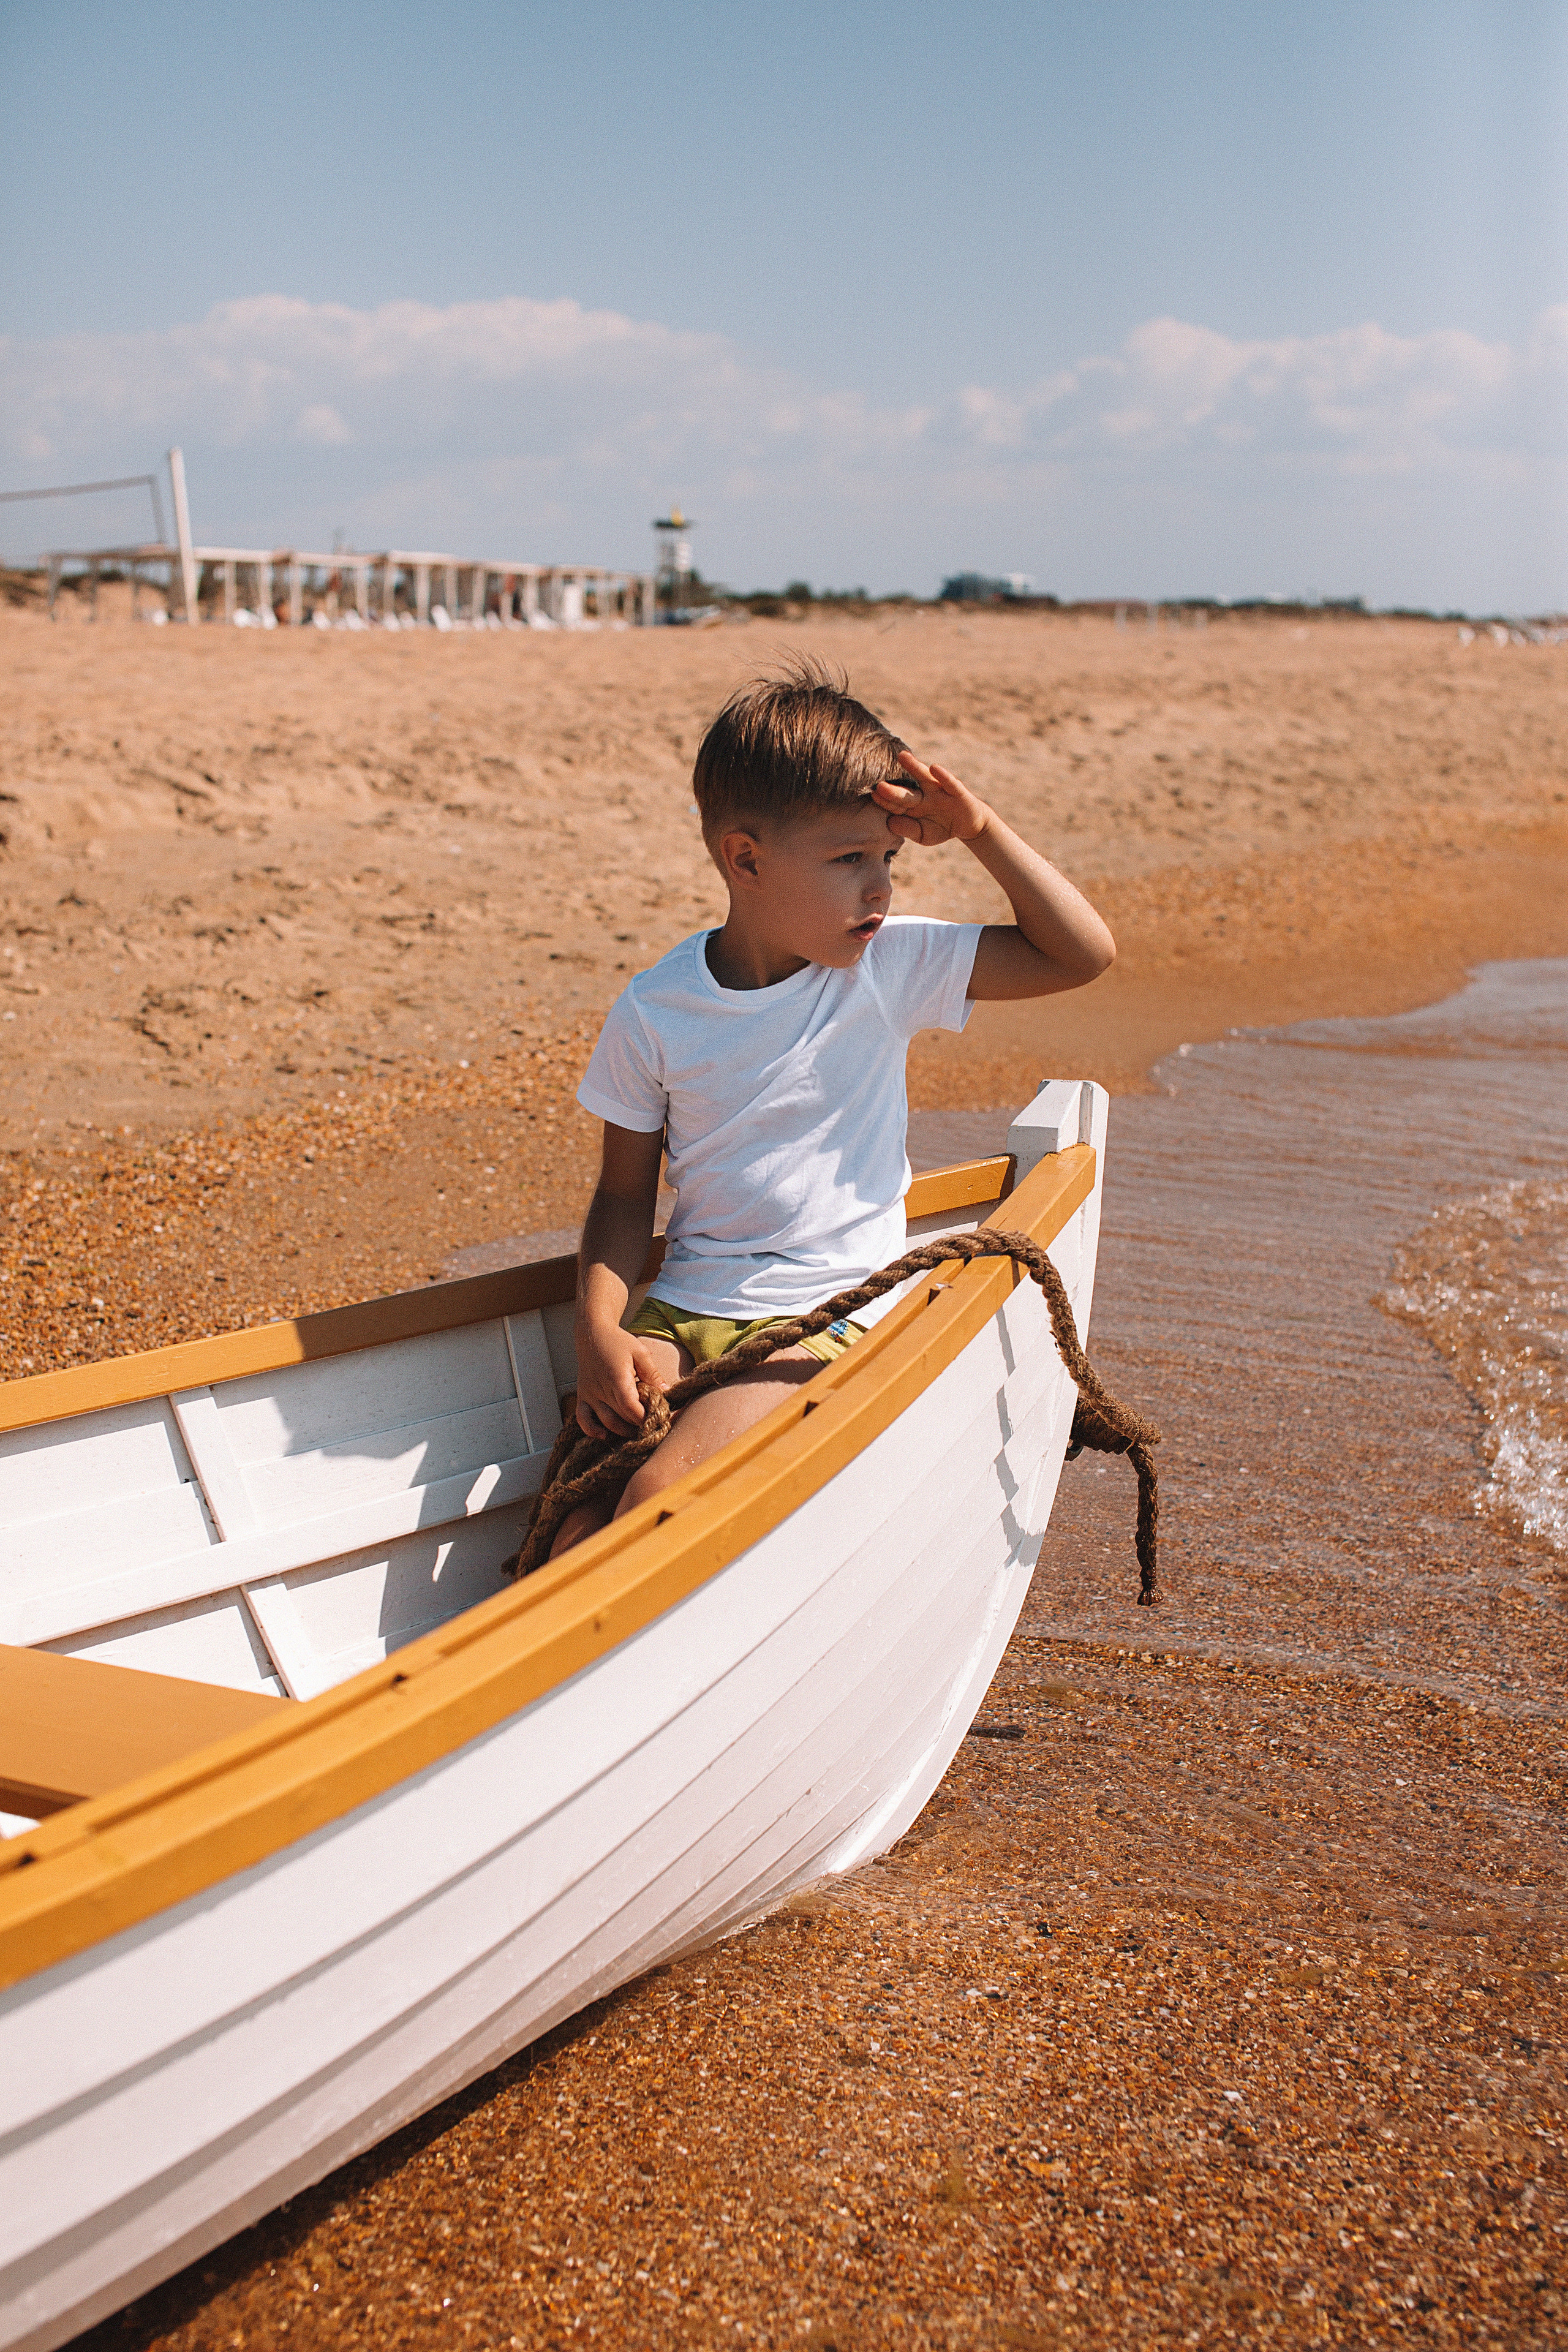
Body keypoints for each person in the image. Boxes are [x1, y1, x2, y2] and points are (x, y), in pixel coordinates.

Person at [554, 658, 1115, 1556]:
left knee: (655, 1499)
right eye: (849, 860)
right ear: (745, 859)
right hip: (686, 1309)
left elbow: (1080, 954)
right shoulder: (658, 1011)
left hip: (825, 1311)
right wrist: (597, 1331)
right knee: (571, 1526)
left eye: (887, 857)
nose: (881, 888)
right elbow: (624, 1197)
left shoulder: (886, 969)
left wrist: (982, 830)